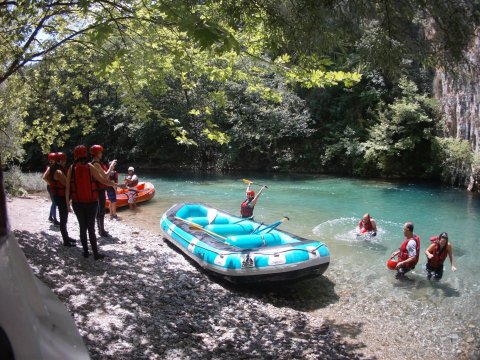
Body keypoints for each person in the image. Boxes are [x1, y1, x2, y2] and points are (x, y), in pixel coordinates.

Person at [66, 145, 118, 260]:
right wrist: (116, 184)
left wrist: (67, 203)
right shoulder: (90, 166)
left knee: (82, 227)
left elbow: (68, 188)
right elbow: (103, 180)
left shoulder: (71, 168)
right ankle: (95, 253)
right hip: (91, 202)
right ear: (85, 154)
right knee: (91, 228)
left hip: (77, 203)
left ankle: (85, 252)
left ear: (75, 155)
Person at [47, 152, 76, 247]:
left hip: (58, 196)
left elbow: (46, 178)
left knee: (64, 218)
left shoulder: (52, 169)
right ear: (59, 161)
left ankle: (66, 237)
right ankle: (66, 241)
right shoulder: (58, 172)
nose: (65, 162)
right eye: (63, 160)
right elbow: (67, 184)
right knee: (63, 219)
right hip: (61, 197)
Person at [90, 144, 117, 237]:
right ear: (97, 153)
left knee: (99, 210)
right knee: (101, 210)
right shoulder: (96, 164)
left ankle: (101, 229)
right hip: (98, 190)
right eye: (100, 152)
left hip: (99, 189)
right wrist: (111, 166)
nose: (101, 153)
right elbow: (105, 176)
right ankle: (101, 230)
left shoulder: (96, 163)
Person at [42, 152, 59, 225]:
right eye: (51, 160)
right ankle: (55, 220)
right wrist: (51, 184)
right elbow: (44, 177)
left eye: (54, 159)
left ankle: (50, 217)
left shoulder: (53, 166)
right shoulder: (50, 167)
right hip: (51, 187)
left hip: (51, 186)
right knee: (55, 202)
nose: (52, 161)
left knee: (54, 202)